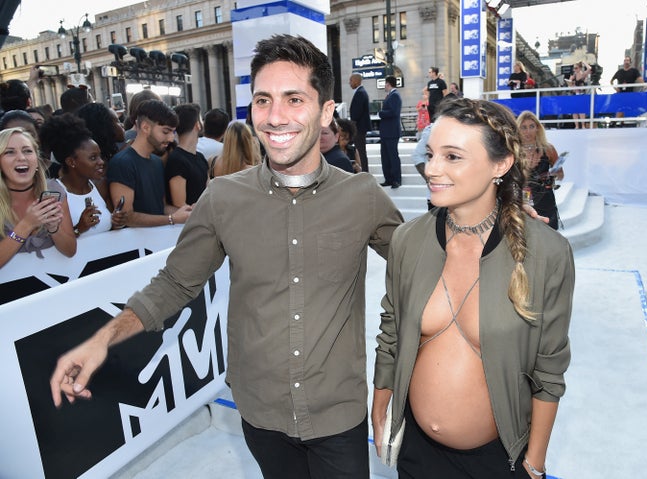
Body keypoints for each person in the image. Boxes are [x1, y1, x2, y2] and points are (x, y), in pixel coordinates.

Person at [50, 34, 403, 479]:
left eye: (294, 99)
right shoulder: (222, 198)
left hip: (337, 415)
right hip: (260, 414)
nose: (275, 117)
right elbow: (175, 283)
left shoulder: (362, 195)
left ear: (326, 110)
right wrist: (102, 338)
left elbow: (420, 264)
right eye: (262, 100)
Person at [372, 98, 574, 479]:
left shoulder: (547, 252)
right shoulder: (408, 241)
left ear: (500, 164)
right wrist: (379, 409)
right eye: (431, 154)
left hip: (500, 461)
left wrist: (535, 461)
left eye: (452, 157)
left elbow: (550, 366)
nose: (431, 168)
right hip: (417, 456)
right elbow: (392, 334)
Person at [106, 99, 192, 227]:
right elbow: (127, 217)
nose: (171, 138)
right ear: (145, 127)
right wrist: (171, 219)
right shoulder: (122, 163)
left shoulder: (157, 162)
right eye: (165, 131)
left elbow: (160, 207)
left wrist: (190, 212)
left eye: (173, 132)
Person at [39, 114, 127, 236]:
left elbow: (109, 229)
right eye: (93, 158)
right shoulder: (54, 193)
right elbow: (51, 241)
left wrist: (117, 223)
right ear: (71, 162)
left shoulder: (100, 186)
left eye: (99, 156)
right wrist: (79, 228)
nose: (101, 162)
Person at [0, 127, 76, 267]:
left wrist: (54, 228)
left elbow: (70, 250)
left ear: (36, 158)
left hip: (55, 282)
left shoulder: (54, 190)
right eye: (10, 152)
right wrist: (27, 224)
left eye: (27, 151)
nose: (21, 158)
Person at [517, 111, 563, 230]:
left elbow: (561, 175)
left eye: (531, 126)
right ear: (518, 130)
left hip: (546, 200)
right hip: (523, 200)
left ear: (537, 128)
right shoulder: (514, 151)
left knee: (549, 238)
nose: (528, 131)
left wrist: (553, 175)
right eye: (524, 127)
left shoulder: (548, 149)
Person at [165, 103, 208, 207]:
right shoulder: (177, 160)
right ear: (197, 125)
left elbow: (208, 192)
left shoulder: (200, 157)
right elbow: (179, 204)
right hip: (187, 221)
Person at [379, 75, 403, 188]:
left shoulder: (395, 96)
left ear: (388, 84)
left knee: (393, 156)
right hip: (386, 132)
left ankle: (396, 179)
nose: (384, 86)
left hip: (391, 132)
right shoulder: (391, 95)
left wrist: (381, 113)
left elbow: (393, 112)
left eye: (385, 84)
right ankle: (388, 178)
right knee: (385, 156)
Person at [348, 73, 371, 172]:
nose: (350, 83)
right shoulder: (360, 92)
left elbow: (357, 113)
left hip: (359, 128)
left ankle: (364, 172)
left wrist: (351, 125)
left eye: (351, 81)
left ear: (356, 81)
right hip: (359, 127)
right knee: (360, 151)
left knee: (360, 152)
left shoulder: (360, 93)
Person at [566, 61, 591, 129]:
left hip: (581, 94)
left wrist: (584, 62)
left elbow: (589, 68)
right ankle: (576, 125)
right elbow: (569, 84)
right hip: (574, 94)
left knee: (581, 110)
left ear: (580, 68)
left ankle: (583, 125)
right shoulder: (573, 75)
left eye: (576, 68)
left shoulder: (583, 74)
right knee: (574, 111)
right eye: (574, 68)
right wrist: (571, 83)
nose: (575, 70)